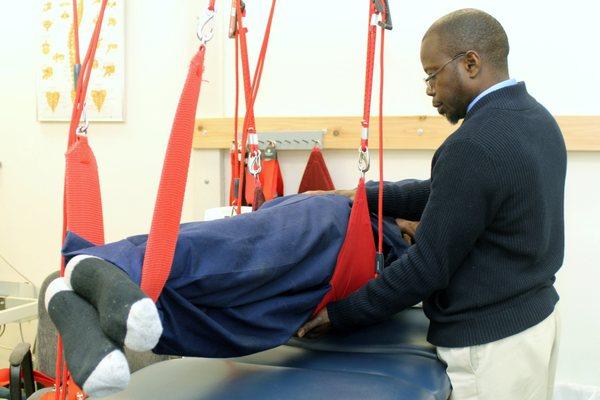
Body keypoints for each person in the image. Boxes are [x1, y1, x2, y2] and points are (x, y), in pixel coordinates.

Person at [299, 8, 566, 400]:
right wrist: (360, 196)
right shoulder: (535, 118)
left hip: (491, 347)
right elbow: (447, 192)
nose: (429, 90)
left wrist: (338, 315)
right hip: (535, 324)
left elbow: (426, 268)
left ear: (470, 63)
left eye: (432, 74)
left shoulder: (473, 144)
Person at [45, 192, 411, 397]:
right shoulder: (460, 173)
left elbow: (418, 277)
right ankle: (110, 262)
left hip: (328, 292)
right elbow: (409, 201)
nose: (431, 90)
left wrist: (339, 315)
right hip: (343, 233)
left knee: (229, 325)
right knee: (228, 257)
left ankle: (86, 309)